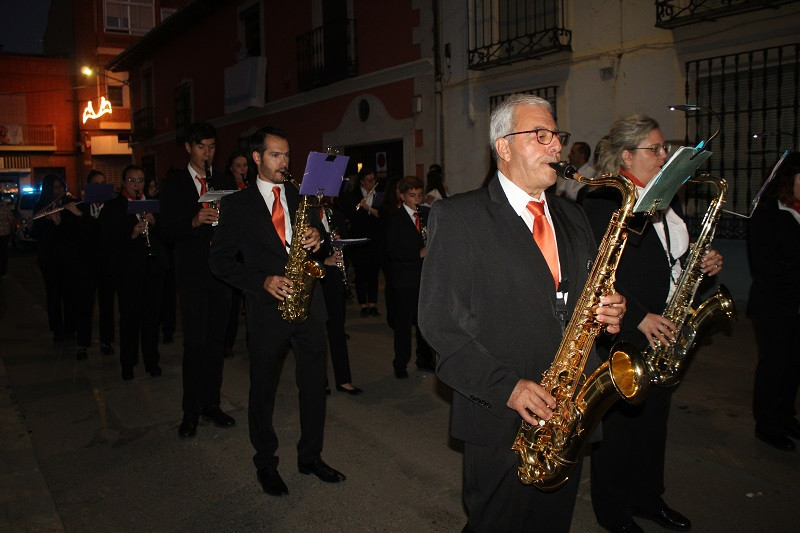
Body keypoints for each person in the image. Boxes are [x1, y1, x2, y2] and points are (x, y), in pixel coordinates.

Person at [418, 93, 626, 533]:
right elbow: (438, 322)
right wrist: (506, 387)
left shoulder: (574, 216)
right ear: (504, 147)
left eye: (558, 136)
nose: (557, 147)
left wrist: (609, 313)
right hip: (499, 417)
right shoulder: (459, 216)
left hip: (568, 418)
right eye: (541, 135)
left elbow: (581, 301)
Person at [581, 113, 723, 533]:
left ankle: (647, 497)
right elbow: (602, 271)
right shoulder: (604, 200)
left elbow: (668, 254)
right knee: (622, 426)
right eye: (655, 149)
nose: (664, 156)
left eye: (665, 149)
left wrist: (700, 260)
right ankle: (612, 510)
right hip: (626, 327)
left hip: (667, 325)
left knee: (653, 423)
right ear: (627, 155)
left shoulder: (665, 196)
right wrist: (640, 318)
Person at [209, 126, 346, 496]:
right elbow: (219, 262)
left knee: (314, 387)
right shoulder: (236, 205)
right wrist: (262, 281)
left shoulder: (303, 197)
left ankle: (310, 457)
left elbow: (320, 241)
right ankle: (266, 463)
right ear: (256, 158)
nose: (284, 162)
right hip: (268, 310)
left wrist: (318, 240)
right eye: (275, 155)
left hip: (309, 306)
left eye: (287, 155)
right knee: (264, 390)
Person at [159, 121, 237, 438]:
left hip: (221, 273)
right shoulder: (175, 184)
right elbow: (167, 231)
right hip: (192, 274)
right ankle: (190, 410)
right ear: (189, 148)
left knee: (217, 344)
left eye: (212, 147)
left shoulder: (222, 180)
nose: (208, 153)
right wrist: (194, 219)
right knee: (195, 344)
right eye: (202, 147)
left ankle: (211, 404)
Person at [747, 151, 800, 452]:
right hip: (774, 305)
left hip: (794, 304)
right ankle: (767, 425)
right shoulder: (767, 214)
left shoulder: (797, 212)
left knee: (794, 367)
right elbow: (766, 267)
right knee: (775, 366)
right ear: (786, 181)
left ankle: (786, 416)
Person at [100, 165, 166, 380]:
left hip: (151, 270)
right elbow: (106, 238)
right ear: (124, 182)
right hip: (127, 271)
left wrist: (155, 223)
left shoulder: (154, 205)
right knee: (129, 320)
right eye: (132, 181)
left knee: (151, 319)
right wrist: (131, 234)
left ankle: (152, 362)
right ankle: (127, 364)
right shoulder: (113, 207)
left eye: (140, 181)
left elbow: (168, 235)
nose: (137, 185)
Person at [386, 176, 434, 378]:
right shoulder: (395, 219)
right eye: (412, 195)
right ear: (402, 196)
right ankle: (400, 363)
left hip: (425, 277)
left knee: (424, 322)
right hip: (405, 279)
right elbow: (391, 251)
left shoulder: (427, 214)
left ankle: (424, 359)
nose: (417, 199)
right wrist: (418, 253)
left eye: (420, 195)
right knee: (403, 324)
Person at [30, 174, 81, 345]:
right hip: (49, 259)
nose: (59, 191)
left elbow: (74, 234)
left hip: (68, 259)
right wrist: (47, 222)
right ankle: (57, 330)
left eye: (61, 187)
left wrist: (60, 222)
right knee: (53, 294)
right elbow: (36, 234)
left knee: (70, 294)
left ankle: (71, 328)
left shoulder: (69, 206)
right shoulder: (41, 206)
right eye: (55, 188)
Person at [319, 199, 362, 395]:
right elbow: (296, 249)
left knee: (337, 329)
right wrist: (323, 260)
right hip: (316, 279)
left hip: (334, 278)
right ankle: (320, 381)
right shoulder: (303, 214)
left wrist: (339, 242)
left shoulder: (335, 215)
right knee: (317, 333)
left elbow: (346, 241)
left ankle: (343, 379)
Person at [73, 169, 116, 359]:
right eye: (97, 184)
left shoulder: (112, 209)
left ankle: (107, 342)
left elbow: (103, 231)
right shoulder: (81, 207)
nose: (101, 187)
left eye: (104, 183)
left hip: (107, 264)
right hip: (86, 265)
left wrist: (82, 217)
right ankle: (82, 343)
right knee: (84, 305)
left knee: (107, 305)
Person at [343, 167, 382, 317]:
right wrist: (362, 205)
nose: (372, 183)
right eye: (369, 181)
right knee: (361, 273)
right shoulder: (353, 195)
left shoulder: (378, 195)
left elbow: (381, 216)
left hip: (375, 239)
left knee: (373, 273)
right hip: (359, 239)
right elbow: (350, 215)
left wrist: (371, 207)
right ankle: (363, 305)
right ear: (362, 182)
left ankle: (372, 304)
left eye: (373, 180)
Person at [222, 150, 250, 358]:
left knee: (252, 297)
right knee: (231, 302)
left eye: (245, 165)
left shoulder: (252, 187)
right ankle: (227, 342)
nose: (242, 169)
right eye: (238, 166)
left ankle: (254, 340)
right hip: (234, 249)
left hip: (249, 249)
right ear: (231, 169)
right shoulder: (226, 188)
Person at [0, 194, 13, 279]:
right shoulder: (6, 209)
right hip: (5, 234)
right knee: (3, 253)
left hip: (4, 234)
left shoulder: (5, 209)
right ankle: (3, 271)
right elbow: (10, 221)